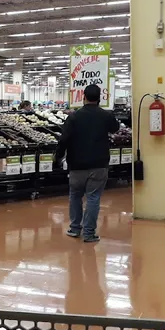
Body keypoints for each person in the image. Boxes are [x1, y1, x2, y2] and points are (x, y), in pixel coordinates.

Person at [55, 84, 119, 243]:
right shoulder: (105, 116)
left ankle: (75, 229)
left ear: (83, 96)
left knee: (75, 196)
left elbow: (63, 139)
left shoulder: (74, 117)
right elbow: (115, 128)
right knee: (93, 198)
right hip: (99, 164)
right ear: (100, 98)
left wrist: (58, 157)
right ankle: (89, 233)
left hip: (77, 165)